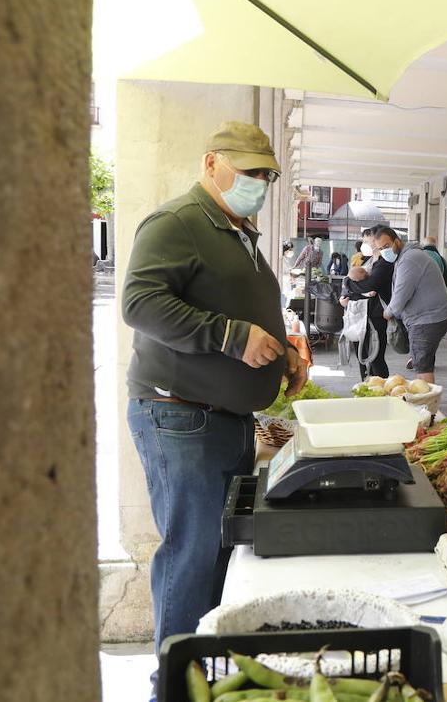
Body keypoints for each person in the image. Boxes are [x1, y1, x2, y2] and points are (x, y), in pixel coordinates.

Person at [121, 121, 307, 669]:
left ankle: (207, 668)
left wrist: (283, 354)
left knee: (219, 552)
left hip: (225, 421)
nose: (259, 183)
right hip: (180, 419)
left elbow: (246, 312)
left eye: (266, 175)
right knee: (191, 555)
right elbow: (139, 303)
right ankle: (176, 679)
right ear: (211, 164)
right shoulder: (177, 223)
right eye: (249, 172)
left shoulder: (235, 229)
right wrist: (228, 336)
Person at [376, 226, 447, 383]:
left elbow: (400, 296)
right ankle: (426, 403)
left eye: (386, 246)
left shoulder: (409, 259)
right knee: (422, 363)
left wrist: (388, 312)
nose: (384, 251)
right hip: (429, 317)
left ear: (397, 241)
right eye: (380, 249)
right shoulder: (407, 256)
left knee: (422, 367)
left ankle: (427, 405)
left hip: (427, 319)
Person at [341, 227, 393, 380]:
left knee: (376, 355)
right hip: (359, 314)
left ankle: (380, 389)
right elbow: (353, 279)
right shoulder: (368, 260)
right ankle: (366, 385)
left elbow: (370, 285)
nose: (366, 244)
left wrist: (349, 285)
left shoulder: (385, 262)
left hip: (376, 315)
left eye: (367, 240)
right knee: (361, 354)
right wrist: (347, 290)